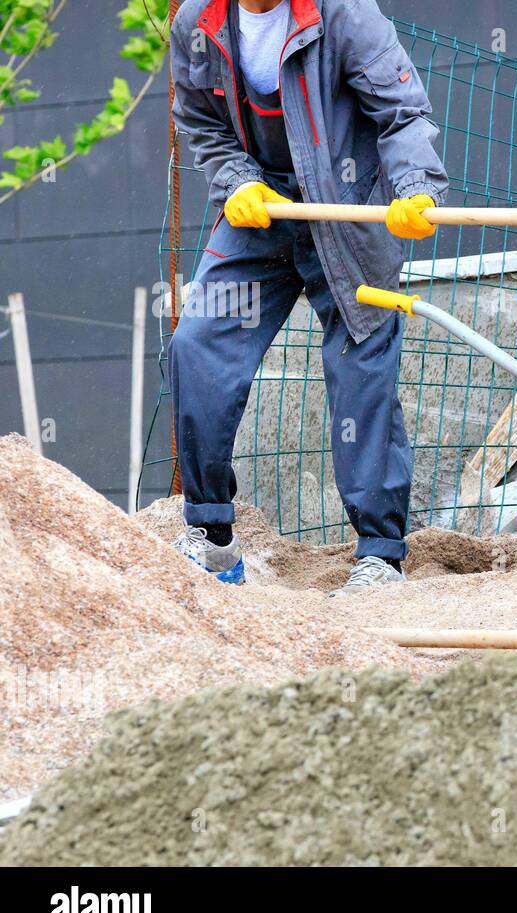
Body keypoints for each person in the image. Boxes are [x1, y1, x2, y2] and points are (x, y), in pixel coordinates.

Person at [167, 0, 448, 595]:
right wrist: (237, 180)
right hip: (260, 214)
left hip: (346, 211)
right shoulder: (199, 25)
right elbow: (200, 123)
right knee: (199, 344)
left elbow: (403, 114)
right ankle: (213, 538)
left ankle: (379, 557)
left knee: (360, 371)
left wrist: (416, 189)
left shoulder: (344, 14)